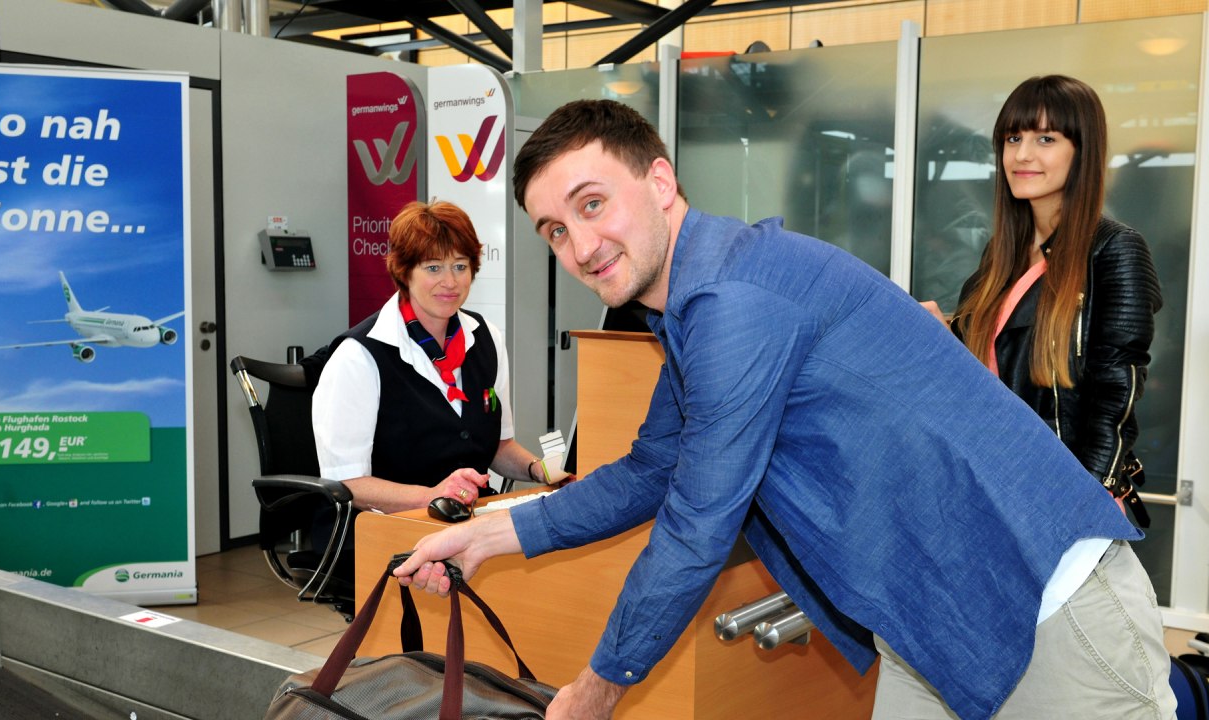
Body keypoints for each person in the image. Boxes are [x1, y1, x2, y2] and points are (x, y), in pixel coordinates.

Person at [393, 100, 1174, 720]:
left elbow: (696, 525)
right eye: (556, 231)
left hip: (1045, 604)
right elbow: (650, 471)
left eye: (593, 204)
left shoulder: (735, 300)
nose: (580, 244)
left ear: (659, 183)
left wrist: (595, 691)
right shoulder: (699, 304)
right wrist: (486, 535)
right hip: (936, 612)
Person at [923, 75, 1162, 524]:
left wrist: (1083, 503)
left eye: (1046, 139)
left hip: (1065, 502)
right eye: (1013, 138)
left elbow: (1115, 395)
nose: (1022, 155)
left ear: (1082, 151)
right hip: (995, 490)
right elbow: (991, 372)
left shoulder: (1113, 248)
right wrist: (945, 335)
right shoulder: (1002, 254)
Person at [312, 199, 564, 522]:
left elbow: (498, 447)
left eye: (460, 266)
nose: (450, 282)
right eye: (433, 268)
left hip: (467, 519)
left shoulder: (486, 338)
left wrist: (539, 469)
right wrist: (431, 496)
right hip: (384, 528)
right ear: (404, 271)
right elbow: (347, 482)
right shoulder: (358, 357)